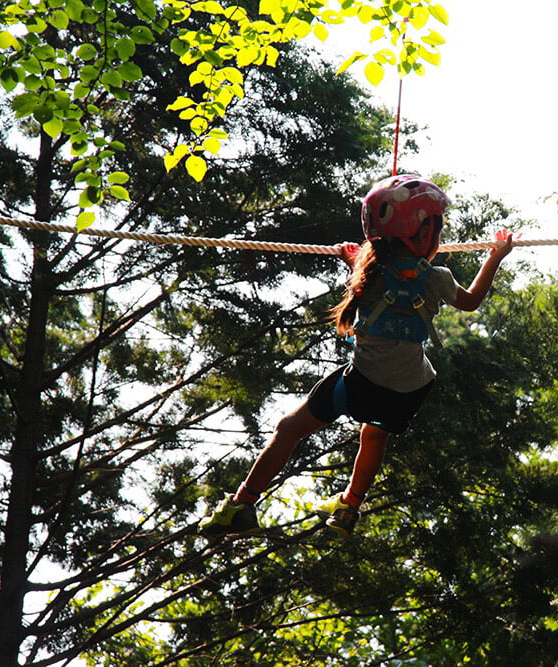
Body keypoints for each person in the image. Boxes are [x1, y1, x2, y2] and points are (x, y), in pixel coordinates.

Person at [198, 174, 514, 538]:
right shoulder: (436, 278)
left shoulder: (369, 272)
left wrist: (353, 260)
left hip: (362, 383)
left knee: (289, 429)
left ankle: (243, 503)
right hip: (411, 389)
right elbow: (471, 301)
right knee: (374, 437)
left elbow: (376, 280)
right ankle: (349, 507)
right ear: (422, 234)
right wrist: (495, 257)